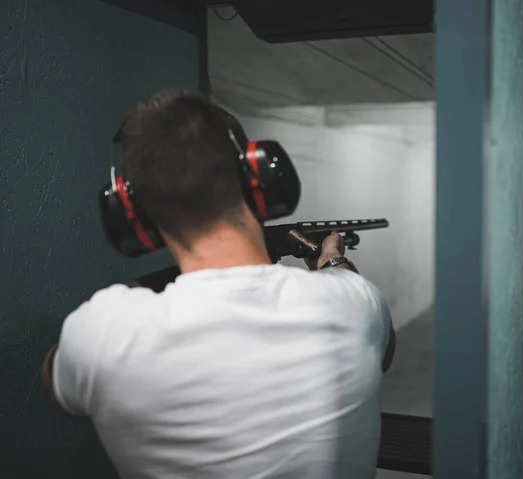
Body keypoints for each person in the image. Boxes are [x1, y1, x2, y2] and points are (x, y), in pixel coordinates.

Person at [41, 90, 396, 479]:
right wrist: (333, 257)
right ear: (259, 180)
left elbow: (58, 382)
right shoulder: (355, 305)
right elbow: (367, 319)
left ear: (133, 217)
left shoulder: (101, 333)